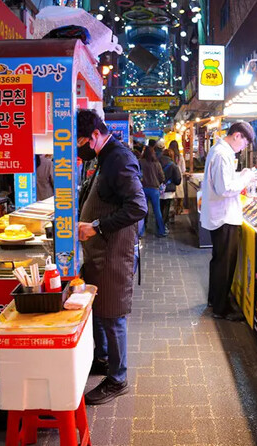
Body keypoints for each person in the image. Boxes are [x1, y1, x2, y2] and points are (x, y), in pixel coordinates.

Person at [75, 109, 147, 404]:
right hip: (98, 251)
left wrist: (97, 226)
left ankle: (118, 379)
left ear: (94, 135)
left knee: (113, 314)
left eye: (80, 141)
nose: (78, 148)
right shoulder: (101, 158)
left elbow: (138, 207)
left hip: (113, 250)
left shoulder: (118, 158)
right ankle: (103, 359)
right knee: (101, 310)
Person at [200, 121, 256, 321]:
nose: (244, 147)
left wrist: (240, 176)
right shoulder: (223, 154)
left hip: (220, 216)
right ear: (237, 136)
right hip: (224, 218)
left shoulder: (220, 151)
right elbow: (225, 189)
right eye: (245, 143)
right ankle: (221, 308)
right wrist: (246, 178)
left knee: (219, 261)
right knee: (224, 263)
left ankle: (215, 300)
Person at [139, 146, 167, 237]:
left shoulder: (141, 162)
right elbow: (162, 177)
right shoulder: (157, 163)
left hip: (143, 189)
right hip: (154, 189)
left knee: (142, 211)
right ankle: (161, 231)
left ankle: (141, 232)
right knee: (157, 211)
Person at [158, 148, 181, 228]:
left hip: (158, 189)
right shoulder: (173, 165)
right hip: (169, 191)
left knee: (159, 208)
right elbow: (178, 180)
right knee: (167, 208)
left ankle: (159, 225)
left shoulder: (157, 163)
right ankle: (164, 225)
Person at [168, 140, 186, 217]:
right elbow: (183, 170)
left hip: (170, 179)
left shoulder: (168, 156)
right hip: (179, 178)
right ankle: (177, 211)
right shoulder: (180, 157)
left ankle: (171, 212)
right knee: (179, 195)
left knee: (172, 196)